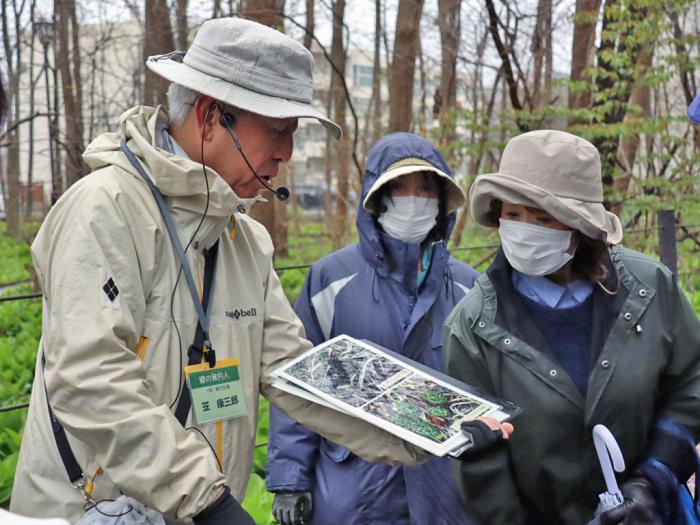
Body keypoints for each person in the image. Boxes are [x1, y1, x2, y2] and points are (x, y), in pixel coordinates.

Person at [10, 18, 427, 524]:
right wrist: (205, 500)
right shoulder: (105, 210)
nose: (287, 154)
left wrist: (423, 426)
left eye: (293, 134)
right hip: (87, 512)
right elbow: (89, 376)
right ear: (210, 116)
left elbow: (297, 369)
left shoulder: (243, 240)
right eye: (277, 130)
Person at [443, 129, 700, 524]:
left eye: (543, 217)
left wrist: (653, 480)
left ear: (580, 226)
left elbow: (692, 383)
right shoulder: (474, 325)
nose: (525, 228)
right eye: (513, 214)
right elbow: (479, 463)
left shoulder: (648, 288)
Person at [266, 132, 482, 525]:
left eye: (424, 188)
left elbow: (488, 390)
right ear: (377, 196)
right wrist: (289, 479)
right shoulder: (330, 279)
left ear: (440, 201)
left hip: (443, 491)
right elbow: (297, 379)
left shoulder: (470, 287)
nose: (413, 199)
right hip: (351, 487)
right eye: (399, 187)